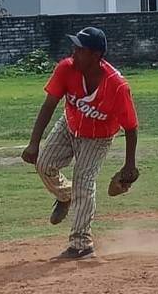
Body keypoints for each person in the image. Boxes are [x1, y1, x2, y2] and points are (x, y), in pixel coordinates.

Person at [21, 27, 138, 260]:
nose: (73, 52)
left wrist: (129, 164)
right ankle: (66, 195)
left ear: (95, 55)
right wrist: (34, 143)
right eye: (74, 47)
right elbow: (49, 105)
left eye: (80, 49)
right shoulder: (66, 68)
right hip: (70, 124)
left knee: (84, 181)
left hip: (99, 137)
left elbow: (131, 127)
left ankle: (81, 244)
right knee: (44, 165)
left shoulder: (116, 86)